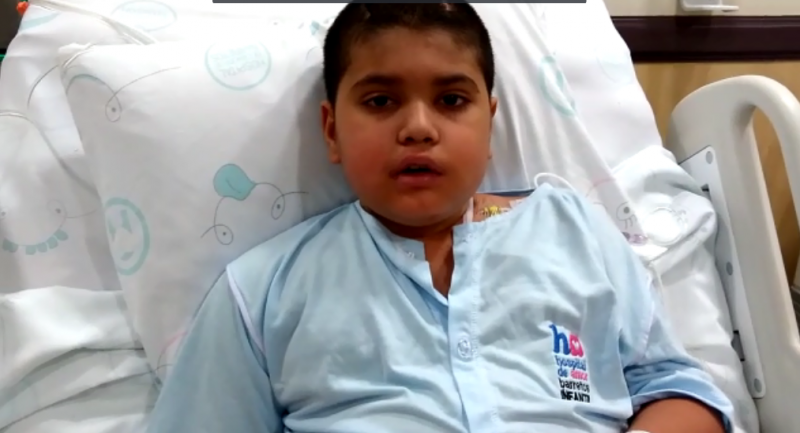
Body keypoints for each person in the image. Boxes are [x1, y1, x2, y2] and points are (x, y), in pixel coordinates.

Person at [146, 4, 734, 433]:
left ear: (489, 123)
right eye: (380, 101)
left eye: (452, 100)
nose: (418, 127)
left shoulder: (575, 232)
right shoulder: (265, 291)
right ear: (331, 130)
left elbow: (677, 389)